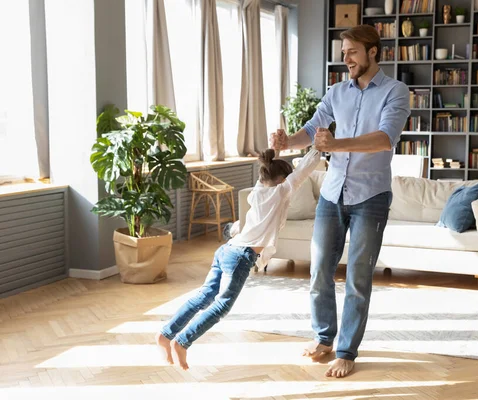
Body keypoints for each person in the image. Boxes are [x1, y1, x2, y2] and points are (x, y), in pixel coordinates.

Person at [270, 24, 410, 378]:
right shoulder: (336, 91)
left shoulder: (396, 91)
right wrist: (288, 142)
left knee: (358, 279)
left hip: (371, 197)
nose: (344, 58)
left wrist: (335, 144)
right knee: (319, 271)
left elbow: (384, 138)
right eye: (343, 52)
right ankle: (323, 338)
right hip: (332, 195)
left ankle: (346, 351)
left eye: (351, 52)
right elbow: (313, 128)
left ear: (373, 52)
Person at [155, 148, 322, 370]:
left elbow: (271, 172)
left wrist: (277, 154)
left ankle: (166, 334)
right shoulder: (280, 192)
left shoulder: (258, 191)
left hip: (227, 250)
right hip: (241, 257)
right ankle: (182, 342)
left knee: (204, 296)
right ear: (282, 180)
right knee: (222, 306)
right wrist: (319, 148)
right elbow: (302, 172)